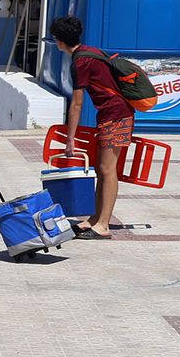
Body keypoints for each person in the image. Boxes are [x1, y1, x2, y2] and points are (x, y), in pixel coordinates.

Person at [52, 15, 126, 240]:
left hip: (116, 115)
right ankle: (95, 218)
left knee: (107, 169)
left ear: (60, 41)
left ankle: (103, 224)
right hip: (112, 114)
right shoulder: (90, 51)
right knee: (100, 168)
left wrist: (70, 138)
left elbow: (77, 103)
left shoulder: (80, 62)